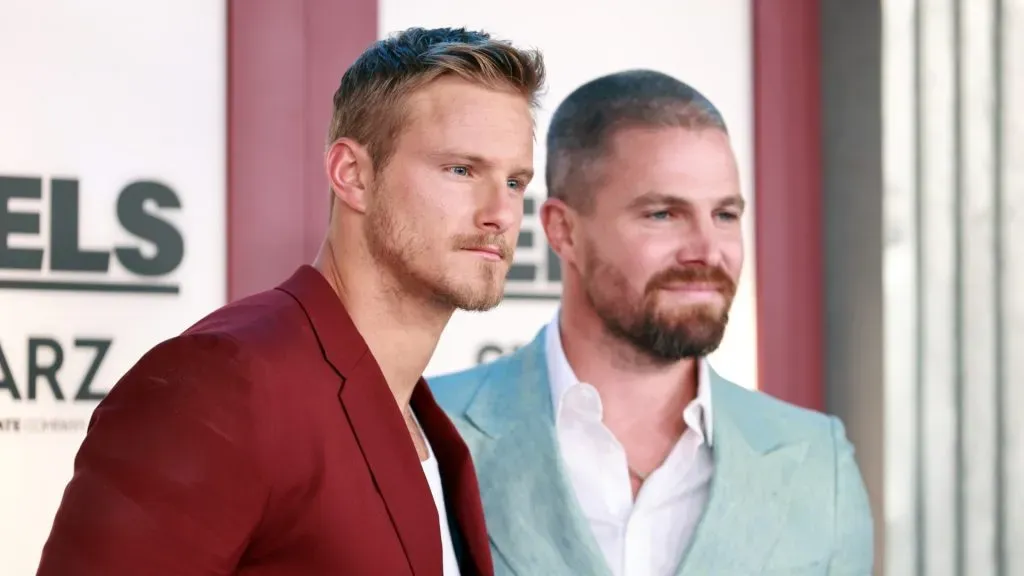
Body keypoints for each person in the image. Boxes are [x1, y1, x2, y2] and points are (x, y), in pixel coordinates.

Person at [36, 27, 545, 576]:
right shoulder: (221, 383)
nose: (502, 213)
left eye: (516, 182)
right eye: (461, 170)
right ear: (352, 175)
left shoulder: (429, 425)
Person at [429, 70, 873, 575]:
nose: (708, 251)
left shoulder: (818, 463)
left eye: (725, 215)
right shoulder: (427, 430)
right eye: (663, 214)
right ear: (563, 231)